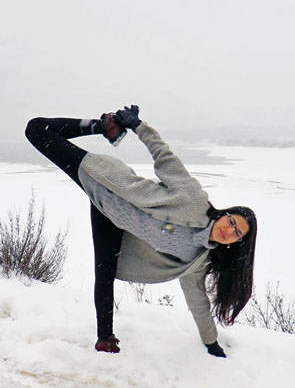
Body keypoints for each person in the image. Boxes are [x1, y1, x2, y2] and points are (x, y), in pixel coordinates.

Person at [25, 106, 257, 358]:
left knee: (104, 274)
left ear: (236, 243)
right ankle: (102, 126)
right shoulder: (193, 199)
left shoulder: (197, 260)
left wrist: (211, 343)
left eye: (238, 234)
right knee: (36, 129)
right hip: (106, 183)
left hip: (110, 218)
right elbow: (164, 155)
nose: (230, 231)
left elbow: (197, 300)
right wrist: (138, 126)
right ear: (225, 214)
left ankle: (105, 340)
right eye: (232, 222)